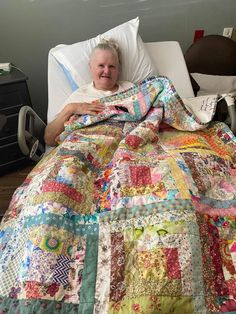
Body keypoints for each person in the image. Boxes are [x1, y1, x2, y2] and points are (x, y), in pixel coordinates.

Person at [44, 38, 133, 147]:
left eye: (112, 66)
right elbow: (49, 139)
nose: (107, 71)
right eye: (101, 65)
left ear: (118, 70)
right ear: (90, 67)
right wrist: (70, 109)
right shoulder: (80, 96)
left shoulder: (130, 88)